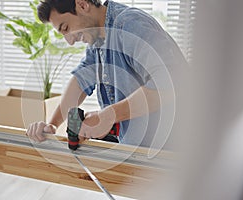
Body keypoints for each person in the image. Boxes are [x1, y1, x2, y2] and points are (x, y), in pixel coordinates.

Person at [26, 0, 187, 148]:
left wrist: (108, 116)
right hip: (138, 150)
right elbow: (81, 80)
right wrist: (52, 125)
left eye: (66, 28)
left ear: (82, 5)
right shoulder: (98, 38)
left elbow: (170, 82)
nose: (70, 41)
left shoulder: (130, 24)